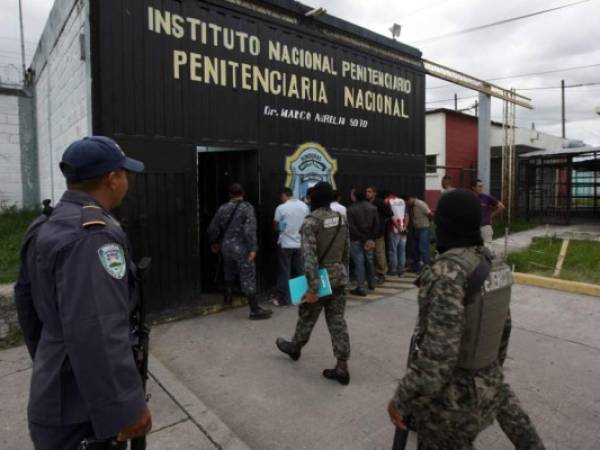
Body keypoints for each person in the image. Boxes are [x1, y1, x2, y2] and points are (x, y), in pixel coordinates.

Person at [14, 136, 152, 450]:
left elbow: (27, 304)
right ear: (112, 179)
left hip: (56, 389)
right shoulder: (93, 236)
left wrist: (51, 358)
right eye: (125, 173)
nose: (127, 180)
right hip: (81, 408)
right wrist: (128, 406)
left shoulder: (46, 223)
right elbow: (99, 329)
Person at [387, 189, 545, 450]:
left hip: (451, 401)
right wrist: (489, 375)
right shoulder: (496, 265)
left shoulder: (446, 272)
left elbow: (438, 357)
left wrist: (401, 399)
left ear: (446, 224)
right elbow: (504, 329)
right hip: (490, 383)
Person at [275, 182, 351, 385]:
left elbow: (309, 258)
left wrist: (313, 288)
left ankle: (295, 348)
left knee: (307, 316)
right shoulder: (340, 219)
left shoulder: (311, 222)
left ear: (313, 200)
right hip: (339, 277)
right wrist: (344, 274)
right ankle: (342, 366)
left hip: (320, 279)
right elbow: (346, 250)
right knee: (337, 321)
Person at [208, 183, 272, 320]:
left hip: (226, 247)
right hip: (242, 248)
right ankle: (254, 309)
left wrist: (213, 242)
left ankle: (228, 298)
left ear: (230, 194)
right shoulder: (247, 208)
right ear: (243, 193)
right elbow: (249, 230)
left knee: (228, 271)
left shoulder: (222, 208)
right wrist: (253, 248)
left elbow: (213, 227)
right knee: (248, 275)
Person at [271, 187, 309, 306]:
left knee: (284, 272)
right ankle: (302, 298)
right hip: (300, 243)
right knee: (300, 271)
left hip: (285, 244)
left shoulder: (281, 208)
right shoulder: (304, 206)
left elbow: (275, 226)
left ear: (284, 195)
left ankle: (284, 300)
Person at [347, 188, 379, 296]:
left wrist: (363, 239)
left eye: (352, 194)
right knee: (370, 260)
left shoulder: (351, 209)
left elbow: (352, 227)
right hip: (369, 239)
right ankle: (372, 283)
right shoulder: (372, 207)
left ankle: (360, 287)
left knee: (359, 263)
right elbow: (376, 225)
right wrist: (371, 239)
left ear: (355, 196)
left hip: (356, 239)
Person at [366, 186, 392, 284]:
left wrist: (382, 222)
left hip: (378, 233)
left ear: (374, 193)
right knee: (370, 255)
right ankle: (373, 274)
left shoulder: (380, 202)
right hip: (368, 233)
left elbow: (390, 213)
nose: (367, 193)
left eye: (369, 191)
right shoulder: (367, 203)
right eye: (367, 192)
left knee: (379, 253)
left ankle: (382, 274)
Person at [471, 179, 505, 245]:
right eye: (479, 186)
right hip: (472, 228)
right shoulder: (468, 197)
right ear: (473, 187)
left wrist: (490, 216)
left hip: (485, 228)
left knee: (487, 248)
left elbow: (501, 207)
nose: (481, 188)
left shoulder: (486, 197)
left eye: (481, 186)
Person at [406, 194, 433, 274]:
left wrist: (429, 223)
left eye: (407, 201)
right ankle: (416, 268)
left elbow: (430, 214)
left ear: (411, 198)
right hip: (416, 228)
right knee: (415, 249)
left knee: (423, 249)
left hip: (424, 228)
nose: (407, 203)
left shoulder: (420, 204)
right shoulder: (412, 206)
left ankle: (427, 269)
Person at [385, 193, 409, 276]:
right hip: (403, 228)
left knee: (393, 250)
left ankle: (393, 270)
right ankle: (401, 269)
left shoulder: (388, 201)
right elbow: (406, 215)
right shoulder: (402, 202)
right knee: (402, 250)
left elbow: (391, 217)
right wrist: (404, 227)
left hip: (394, 229)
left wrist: (397, 227)